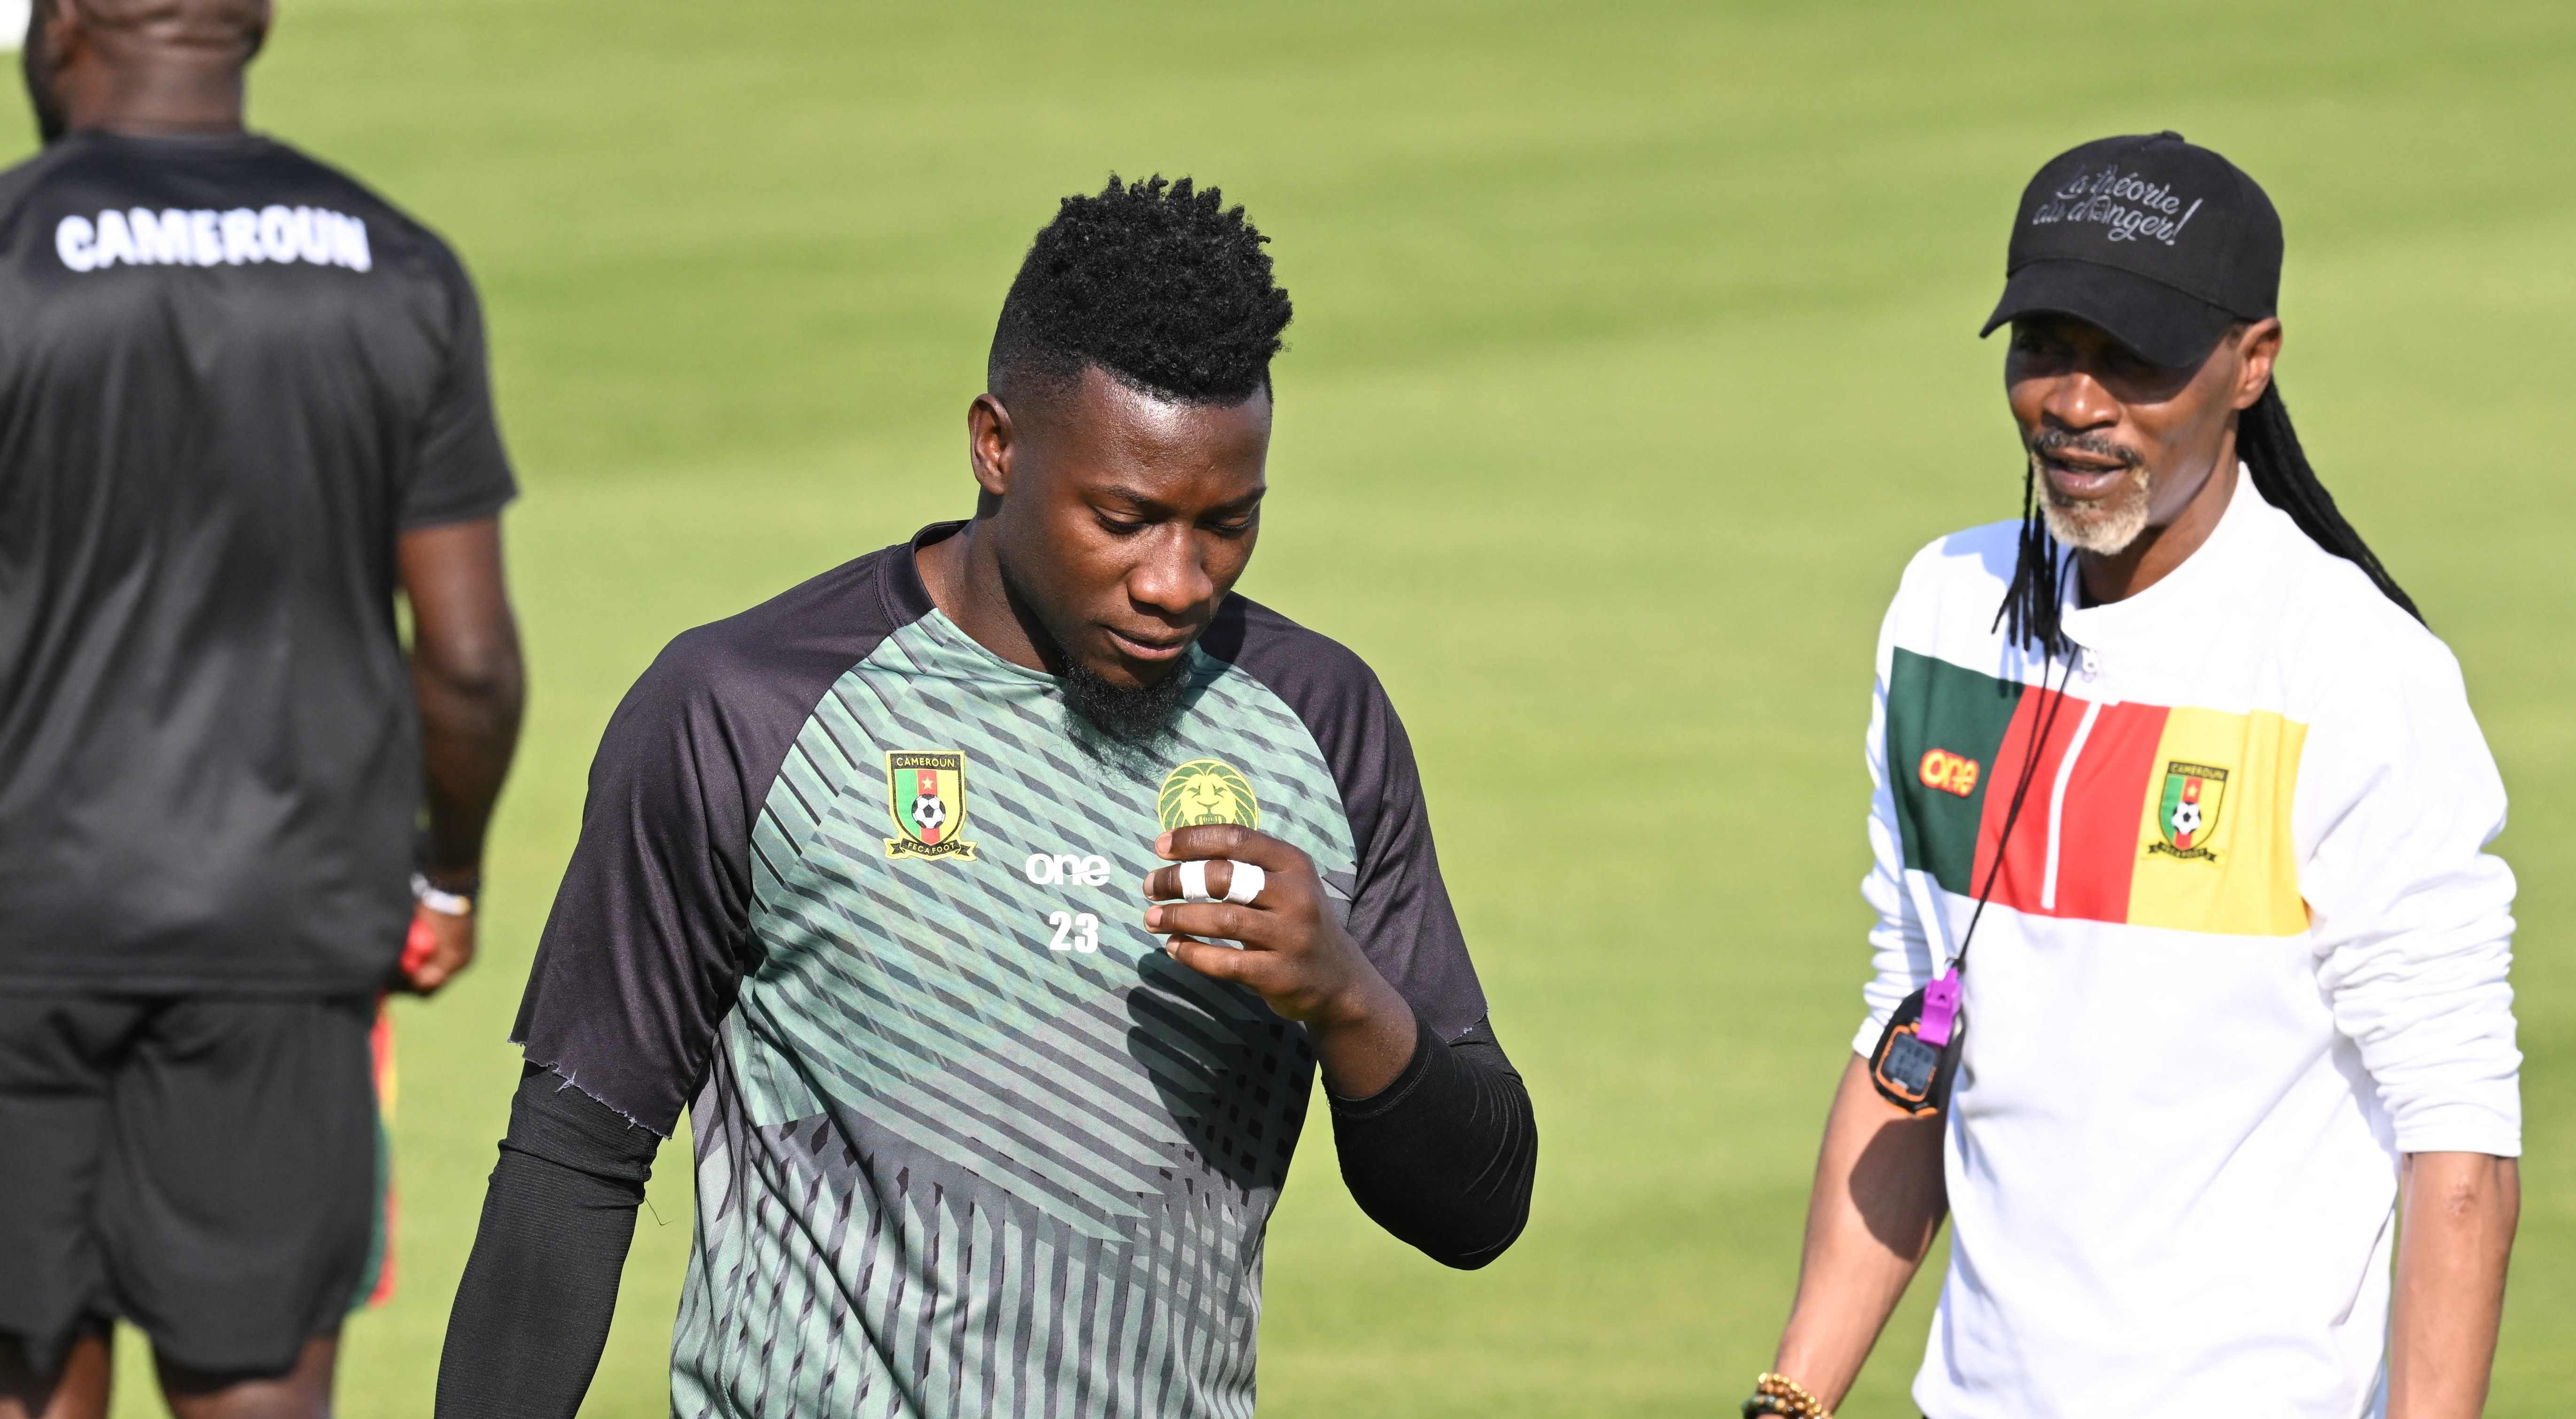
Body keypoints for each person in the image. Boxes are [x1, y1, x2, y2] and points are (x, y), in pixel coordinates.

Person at [435, 175, 1539, 1419]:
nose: (1179, 578)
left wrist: (1343, 995)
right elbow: (573, 1159)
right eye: (1124, 518)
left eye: (1227, 523)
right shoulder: (743, 709)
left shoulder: (1318, 725)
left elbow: (1477, 1209)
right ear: (996, 444)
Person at [1751, 133, 2522, 1419]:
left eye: (2133, 359)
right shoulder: (1942, 610)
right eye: (2044, 345)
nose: (2075, 398)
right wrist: (1792, 1399)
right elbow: (1912, 1022)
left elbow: (2457, 1140)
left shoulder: (2349, 667)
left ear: (2250, 365)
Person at [0, 1, 526, 1416]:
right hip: (284, 937)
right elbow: (469, 658)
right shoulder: (395, 264)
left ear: (60, 33)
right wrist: (450, 872)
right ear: (256, 25)